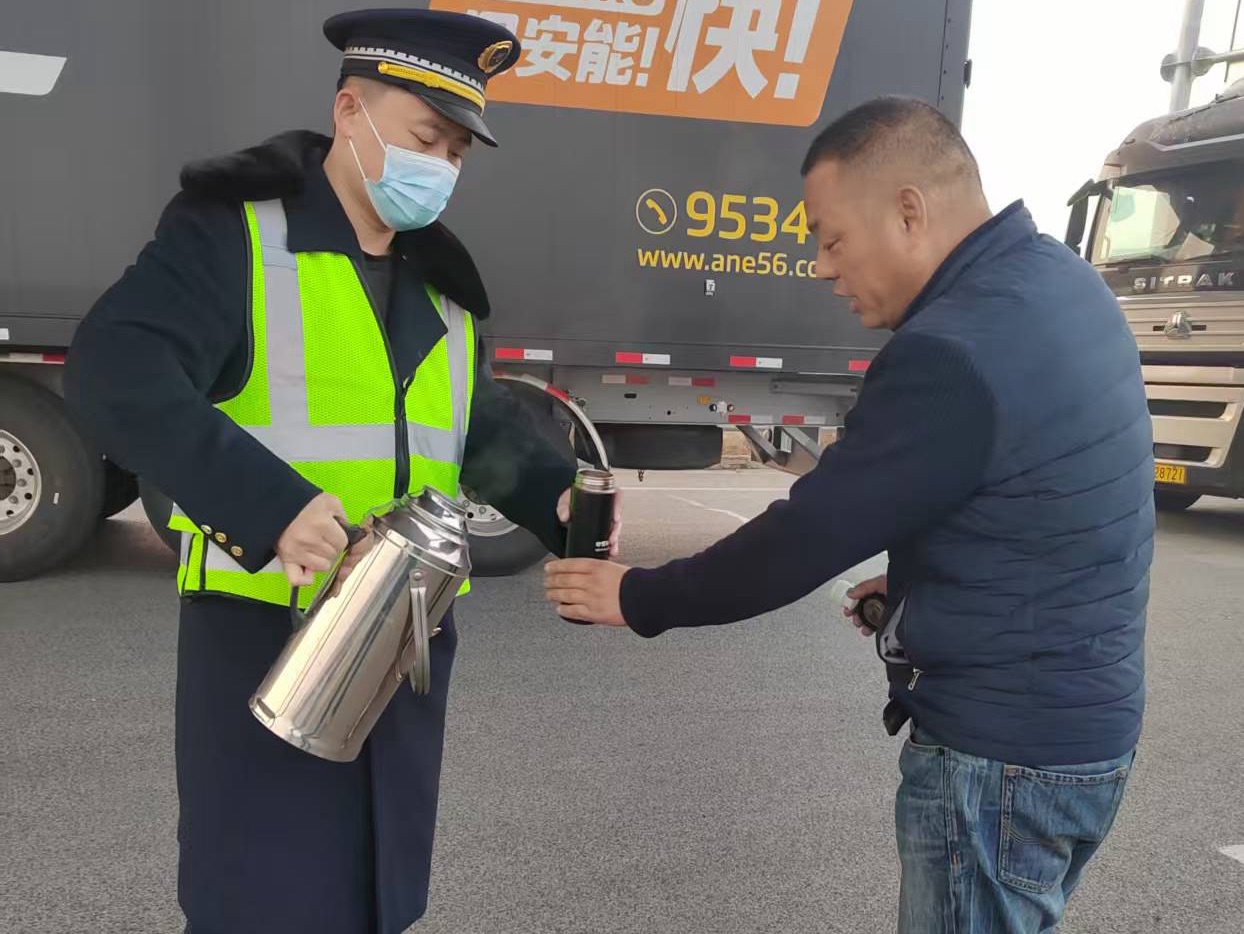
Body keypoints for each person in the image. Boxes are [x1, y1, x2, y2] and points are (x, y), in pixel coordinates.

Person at [64, 9, 619, 934]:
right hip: (269, 632)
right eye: (425, 138)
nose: (440, 167)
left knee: (377, 890)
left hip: (408, 639)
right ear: (349, 111)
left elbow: (469, 422)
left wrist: (554, 495)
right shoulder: (234, 236)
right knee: (262, 896)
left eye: (457, 152)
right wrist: (271, 505)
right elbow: (113, 371)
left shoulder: (442, 284)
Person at [543, 97, 1154, 934]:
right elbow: (1059, 502)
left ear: (908, 211)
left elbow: (805, 536)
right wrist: (925, 582)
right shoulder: (1061, 283)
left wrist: (639, 595)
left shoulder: (951, 349)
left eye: (831, 240)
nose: (820, 268)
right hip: (1082, 730)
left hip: (998, 759)